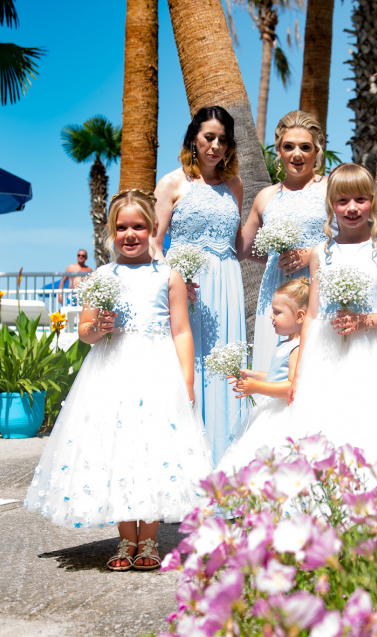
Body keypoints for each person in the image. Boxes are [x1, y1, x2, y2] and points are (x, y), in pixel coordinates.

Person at [24, 189, 211, 571]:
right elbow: (85, 332)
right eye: (122, 227)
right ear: (112, 231)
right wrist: (99, 327)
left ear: (153, 228)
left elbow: (181, 331)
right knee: (118, 448)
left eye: (138, 226)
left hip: (157, 372)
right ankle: (126, 538)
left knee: (153, 448)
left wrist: (187, 380)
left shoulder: (169, 275)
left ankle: (150, 538)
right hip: (112, 371)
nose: (130, 234)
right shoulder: (102, 276)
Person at [286, 163, 377, 465]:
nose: (352, 208)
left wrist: (364, 321)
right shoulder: (320, 253)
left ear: (372, 201)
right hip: (324, 352)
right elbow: (312, 315)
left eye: (360, 199)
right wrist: (299, 372)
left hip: (370, 350)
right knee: (324, 422)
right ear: (331, 204)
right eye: (342, 201)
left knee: (369, 422)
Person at [154, 106, 247, 464]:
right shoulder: (172, 182)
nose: (215, 146)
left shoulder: (235, 185)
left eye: (223, 140)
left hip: (228, 286)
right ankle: (186, 463)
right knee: (189, 367)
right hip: (187, 290)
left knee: (225, 365)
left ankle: (226, 462)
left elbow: (239, 244)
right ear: (194, 138)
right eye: (209, 137)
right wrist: (175, 280)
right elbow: (154, 243)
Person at [238, 111, 329, 373]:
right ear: (279, 150)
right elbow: (243, 249)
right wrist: (275, 258)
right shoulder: (265, 197)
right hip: (275, 290)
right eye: (289, 146)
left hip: (318, 289)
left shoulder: (330, 189)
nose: (296, 154)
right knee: (274, 368)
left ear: (316, 151)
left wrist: (313, 254)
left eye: (305, 147)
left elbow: (353, 241)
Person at [217, 277, 309, 473]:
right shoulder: (286, 343)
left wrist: (256, 387)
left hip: (281, 411)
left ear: (300, 316)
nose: (271, 316)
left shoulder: (296, 348)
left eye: (277, 312)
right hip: (270, 406)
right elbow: (277, 376)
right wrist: (252, 374)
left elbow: (290, 386)